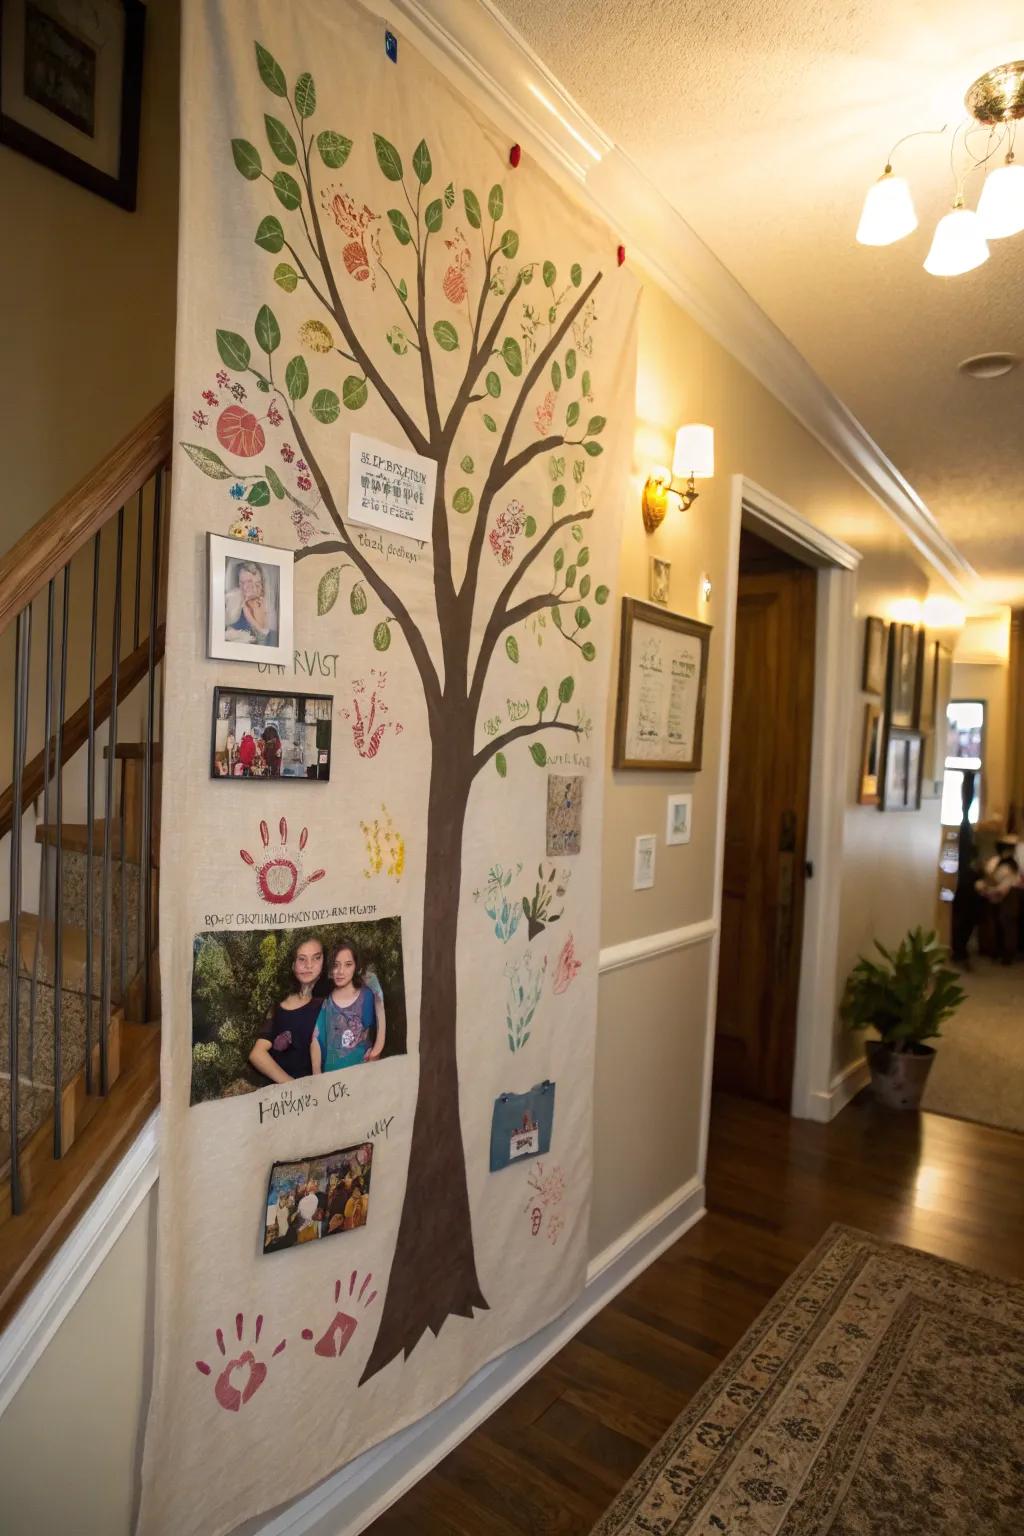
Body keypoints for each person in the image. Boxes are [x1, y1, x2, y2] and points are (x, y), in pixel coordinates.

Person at [249, 937, 325, 1084]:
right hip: (285, 1091)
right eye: (302, 959)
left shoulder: (327, 1004)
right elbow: (257, 1054)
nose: (309, 965)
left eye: (316, 958)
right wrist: (291, 1085)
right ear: (292, 964)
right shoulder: (279, 1006)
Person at [311, 939, 386, 1075]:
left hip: (363, 1075)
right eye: (336, 965)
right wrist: (317, 1074)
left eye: (348, 965)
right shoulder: (327, 1002)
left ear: (356, 966)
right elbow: (316, 1038)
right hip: (332, 1077)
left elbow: (379, 1024)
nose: (340, 971)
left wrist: (376, 1052)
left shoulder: (367, 995)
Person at [225, 560, 278, 646]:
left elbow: (267, 637)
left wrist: (250, 617)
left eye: (249, 582)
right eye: (242, 583)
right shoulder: (233, 599)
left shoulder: (266, 605)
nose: (245, 587)